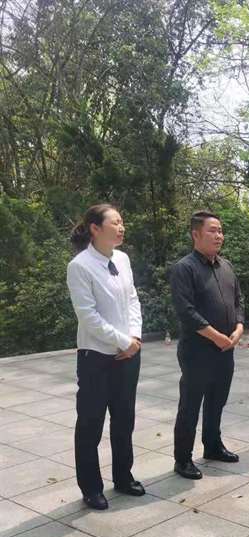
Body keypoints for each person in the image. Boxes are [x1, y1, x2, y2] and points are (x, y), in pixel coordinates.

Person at [67, 204, 143, 510]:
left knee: (124, 419)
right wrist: (123, 341)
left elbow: (133, 299)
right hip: (96, 358)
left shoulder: (122, 259)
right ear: (95, 228)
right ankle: (91, 488)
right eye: (115, 223)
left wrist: (135, 337)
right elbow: (88, 317)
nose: (121, 227)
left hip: (128, 355)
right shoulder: (80, 266)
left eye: (122, 222)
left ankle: (124, 477)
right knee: (91, 423)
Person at [170, 211, 244, 480]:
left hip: (226, 348)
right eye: (212, 230)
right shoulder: (184, 268)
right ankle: (183, 459)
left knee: (217, 401)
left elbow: (238, 301)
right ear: (196, 234)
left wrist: (239, 327)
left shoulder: (226, 266)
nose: (218, 235)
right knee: (190, 405)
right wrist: (215, 336)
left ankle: (213, 445)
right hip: (197, 350)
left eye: (220, 230)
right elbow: (186, 311)